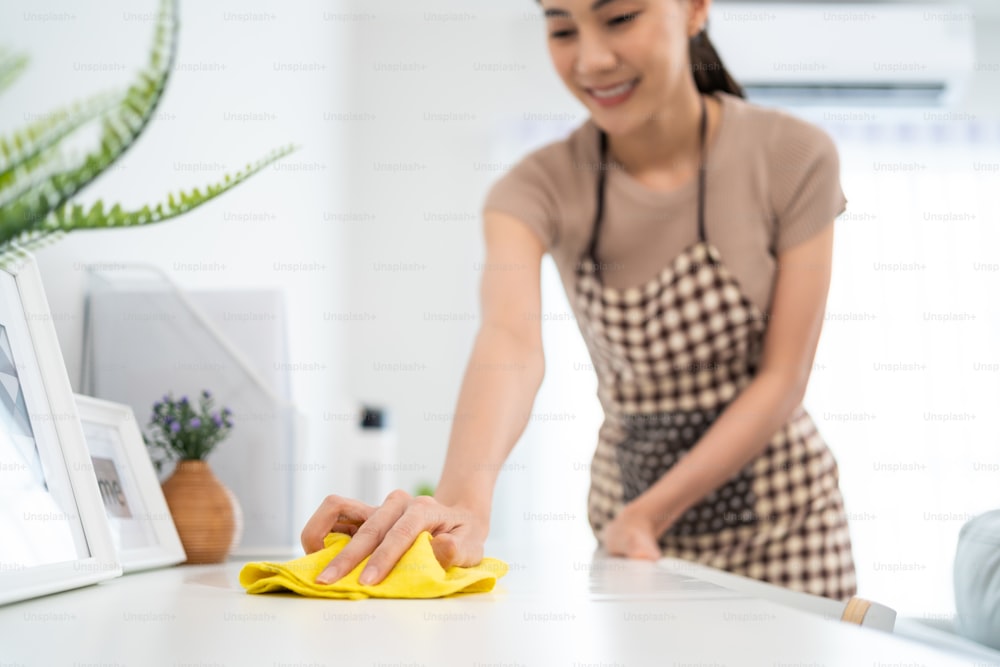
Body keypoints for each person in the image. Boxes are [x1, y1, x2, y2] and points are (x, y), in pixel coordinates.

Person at [301, 0, 857, 600]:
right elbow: (509, 341)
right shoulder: (536, 187)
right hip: (631, 545)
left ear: (695, 9)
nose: (591, 59)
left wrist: (650, 513)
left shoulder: (793, 156)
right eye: (562, 27)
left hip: (787, 533)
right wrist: (464, 502)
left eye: (620, 18)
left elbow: (783, 377)